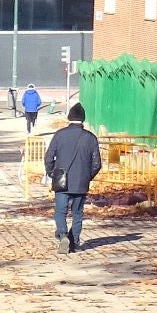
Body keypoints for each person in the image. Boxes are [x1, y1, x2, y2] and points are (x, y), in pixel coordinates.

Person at [43, 102, 101, 253]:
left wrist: (52, 173)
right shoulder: (91, 138)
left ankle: (63, 234)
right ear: (83, 119)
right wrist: (87, 176)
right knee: (78, 213)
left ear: (69, 118)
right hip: (81, 181)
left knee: (60, 211)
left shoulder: (59, 135)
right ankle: (74, 241)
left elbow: (48, 158)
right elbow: (97, 164)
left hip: (61, 179)